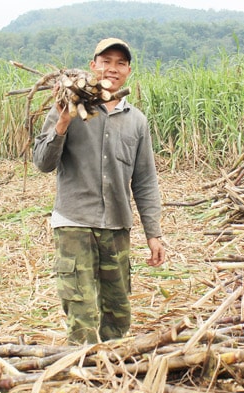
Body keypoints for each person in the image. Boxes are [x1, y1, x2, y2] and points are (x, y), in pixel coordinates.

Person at [33, 37, 165, 345]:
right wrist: (63, 121)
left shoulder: (137, 121)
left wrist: (153, 233)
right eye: (105, 61)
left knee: (117, 316)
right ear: (93, 66)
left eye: (120, 63)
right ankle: (83, 382)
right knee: (82, 315)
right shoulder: (68, 107)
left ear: (128, 71)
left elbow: (145, 180)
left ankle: (112, 378)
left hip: (117, 227)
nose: (112, 69)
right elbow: (42, 162)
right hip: (74, 223)